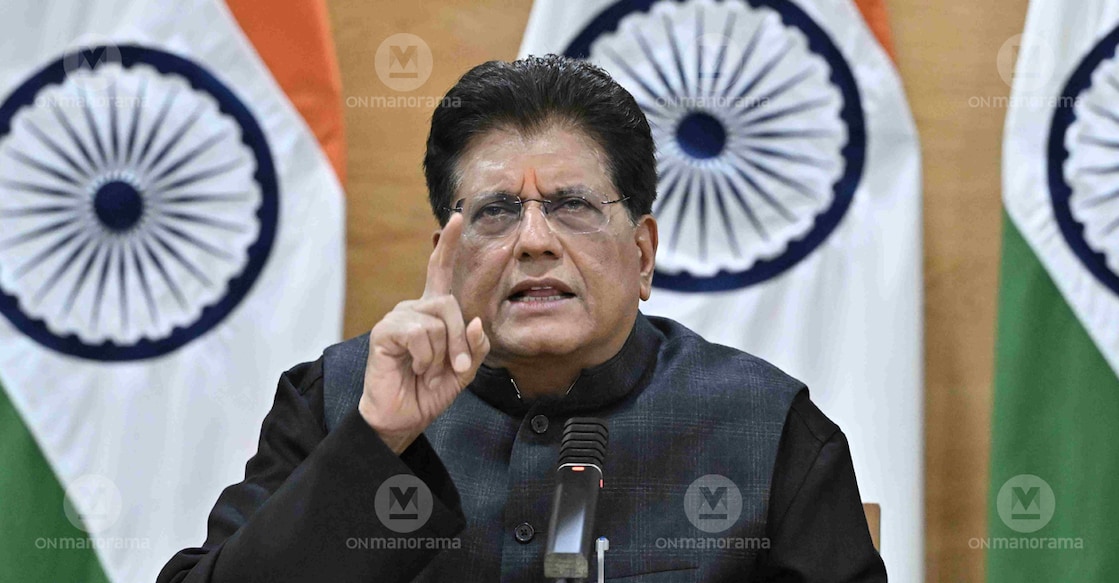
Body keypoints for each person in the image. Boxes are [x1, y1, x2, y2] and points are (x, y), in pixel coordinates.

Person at [158, 55, 886, 583]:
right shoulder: (340, 398)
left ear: (642, 255)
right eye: (496, 211)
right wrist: (376, 442)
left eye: (572, 205)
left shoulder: (763, 423)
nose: (534, 241)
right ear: (444, 257)